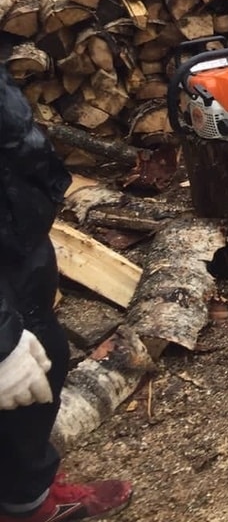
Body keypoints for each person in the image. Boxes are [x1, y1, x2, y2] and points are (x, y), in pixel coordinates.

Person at [0, 67, 133, 522]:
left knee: (45, 356)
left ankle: (26, 488)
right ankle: (30, 508)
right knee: (22, 379)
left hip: (14, 230)